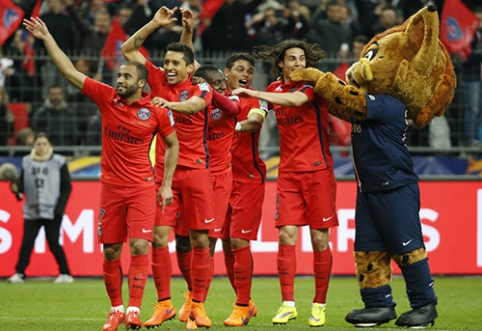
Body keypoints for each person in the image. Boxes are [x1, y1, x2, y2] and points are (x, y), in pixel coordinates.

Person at [23, 16, 179, 331]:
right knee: (110, 250)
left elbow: (173, 145)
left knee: (139, 247)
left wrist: (165, 185)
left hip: (142, 188)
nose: (118, 78)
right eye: (118, 75)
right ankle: (116, 309)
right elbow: (69, 71)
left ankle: (134, 310)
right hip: (110, 188)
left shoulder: (158, 112)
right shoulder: (106, 97)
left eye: (125, 76)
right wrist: (47, 36)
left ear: (140, 83)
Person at [232, 40, 338, 327]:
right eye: (293, 59)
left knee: (319, 239)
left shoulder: (311, 86)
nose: (299, 64)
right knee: (285, 236)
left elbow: (297, 102)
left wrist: (252, 92)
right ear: (281, 63)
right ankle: (288, 303)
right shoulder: (272, 91)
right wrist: (239, 123)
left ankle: (319, 305)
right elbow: (259, 117)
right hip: (289, 173)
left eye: (302, 59)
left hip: (318, 171)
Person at [121, 6, 215, 329]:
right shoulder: (157, 79)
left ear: (190, 68)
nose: (169, 67)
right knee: (159, 239)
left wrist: (168, 104)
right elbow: (128, 49)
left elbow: (196, 105)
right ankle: (164, 304)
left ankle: (198, 304)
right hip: (162, 174)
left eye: (176, 63)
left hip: (198, 171)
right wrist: (154, 23)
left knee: (200, 241)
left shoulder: (202, 85)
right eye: (166, 62)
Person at [173, 64, 241, 322]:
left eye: (224, 81)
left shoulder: (229, 101)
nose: (224, 85)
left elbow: (234, 109)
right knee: (181, 242)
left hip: (218, 180)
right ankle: (191, 291)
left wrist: (211, 89)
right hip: (190, 174)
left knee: (207, 244)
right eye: (218, 82)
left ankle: (197, 307)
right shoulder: (191, 103)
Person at [221, 52, 268, 326]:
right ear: (226, 72)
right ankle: (246, 303)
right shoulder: (212, 98)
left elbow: (255, 122)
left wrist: (232, 125)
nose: (246, 74)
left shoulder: (255, 97)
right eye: (240, 68)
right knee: (226, 244)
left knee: (239, 241)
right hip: (219, 178)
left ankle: (240, 305)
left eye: (249, 70)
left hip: (247, 178)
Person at [6, 133, 73, 284]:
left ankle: (65, 273)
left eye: (44, 144)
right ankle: (20, 273)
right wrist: (16, 188)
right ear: (33, 145)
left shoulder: (58, 161)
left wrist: (60, 208)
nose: (41, 147)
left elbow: (66, 186)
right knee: (27, 243)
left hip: (52, 210)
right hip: (32, 209)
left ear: (50, 145)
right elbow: (23, 185)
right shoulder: (27, 161)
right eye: (38, 144)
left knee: (54, 243)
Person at [30, 85, 78, 150]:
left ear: (62, 95)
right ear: (48, 95)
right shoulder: (41, 113)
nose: (56, 97)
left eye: (58, 94)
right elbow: (35, 131)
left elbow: (75, 133)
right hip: (46, 149)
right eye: (53, 94)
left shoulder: (70, 113)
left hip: (67, 149)